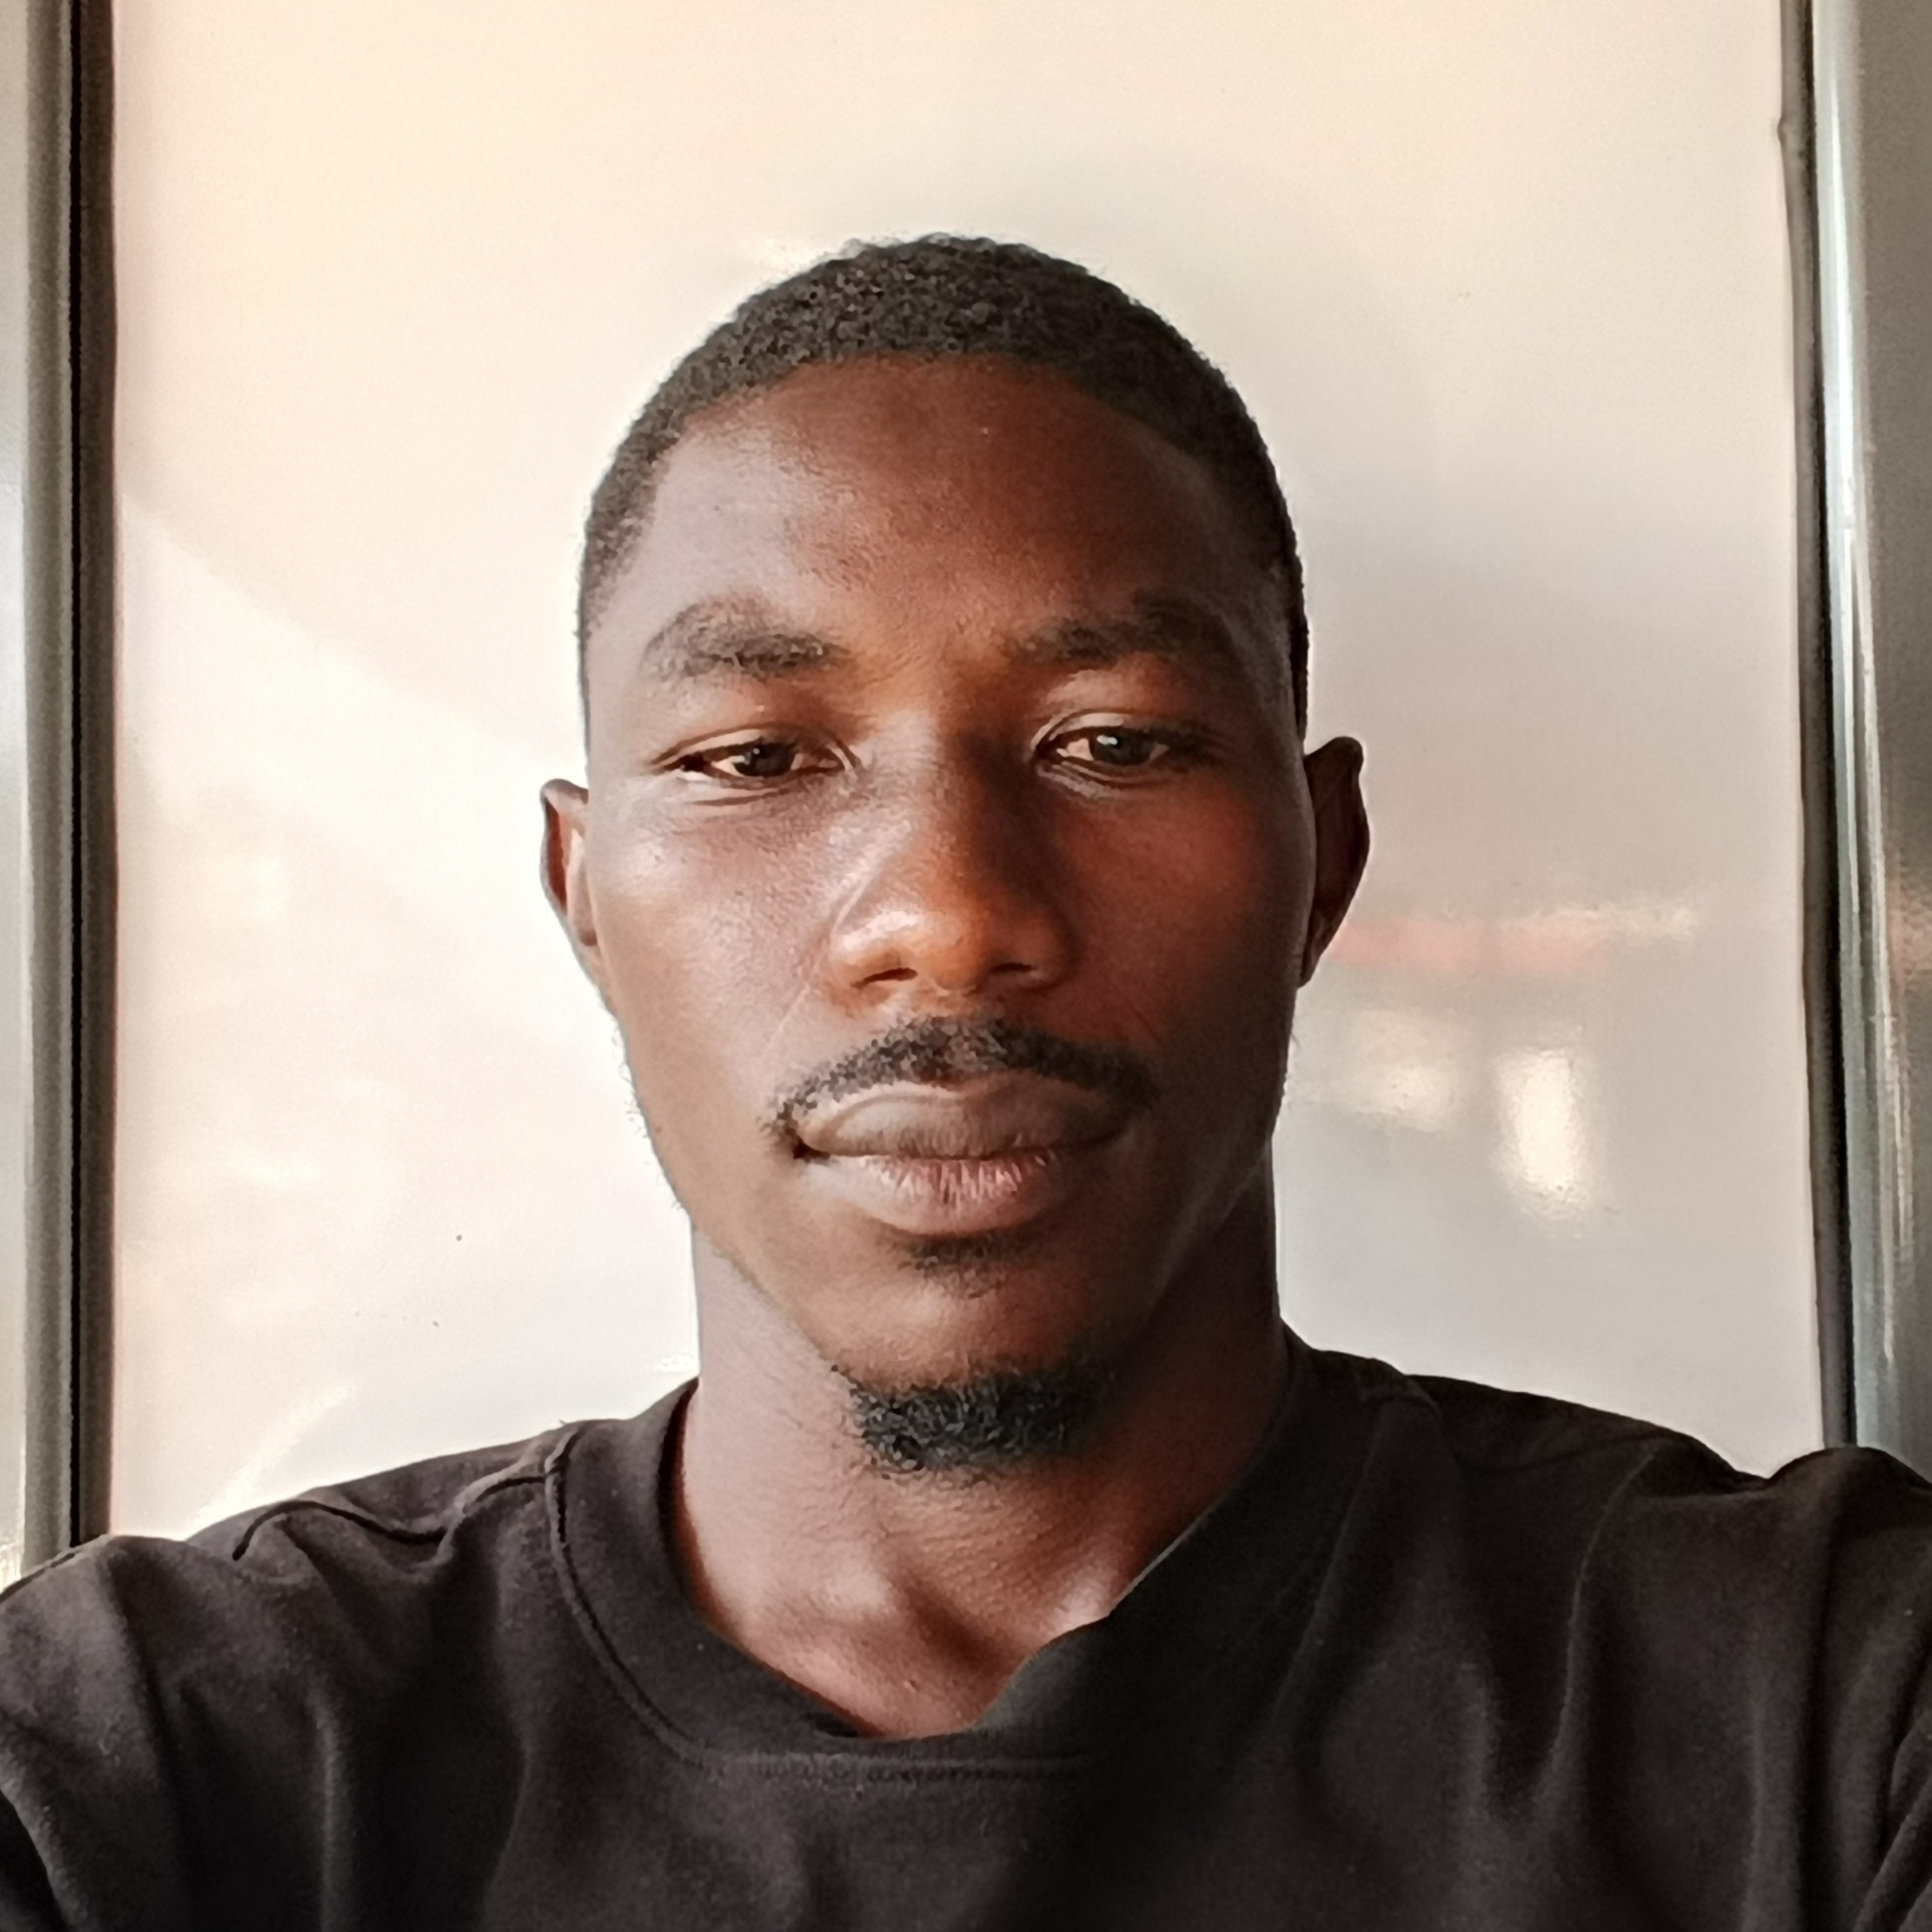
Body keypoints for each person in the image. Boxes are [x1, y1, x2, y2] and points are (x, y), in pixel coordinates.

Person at [2, 235, 1930, 1931]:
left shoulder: (1815, 1700)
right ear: (585, 896)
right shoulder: (150, 1752)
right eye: (758, 757)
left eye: (1112, 741)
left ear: (1317, 866)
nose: (943, 911)